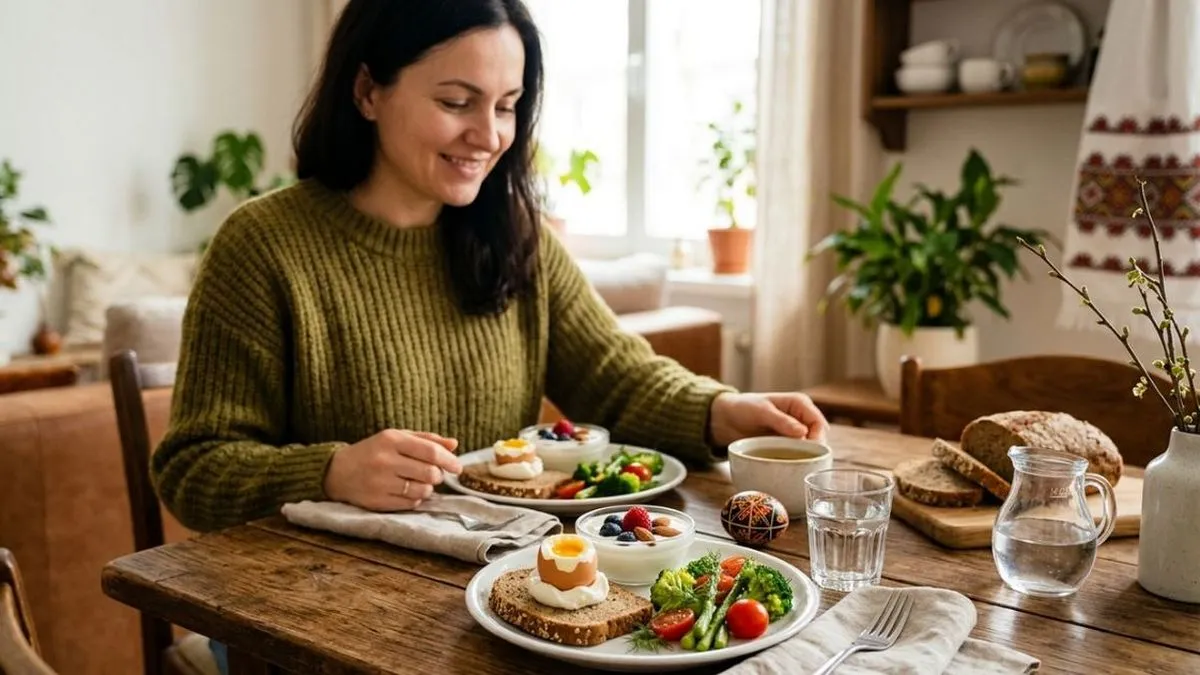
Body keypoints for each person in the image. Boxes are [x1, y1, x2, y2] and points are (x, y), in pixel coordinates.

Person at [151, 0, 829, 539]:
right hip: (311, 608)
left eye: (507, 106)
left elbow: (615, 374)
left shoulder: (512, 231)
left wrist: (720, 410)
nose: (490, 136)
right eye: (456, 102)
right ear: (367, 90)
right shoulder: (264, 245)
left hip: (493, 580)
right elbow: (193, 469)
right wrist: (328, 469)